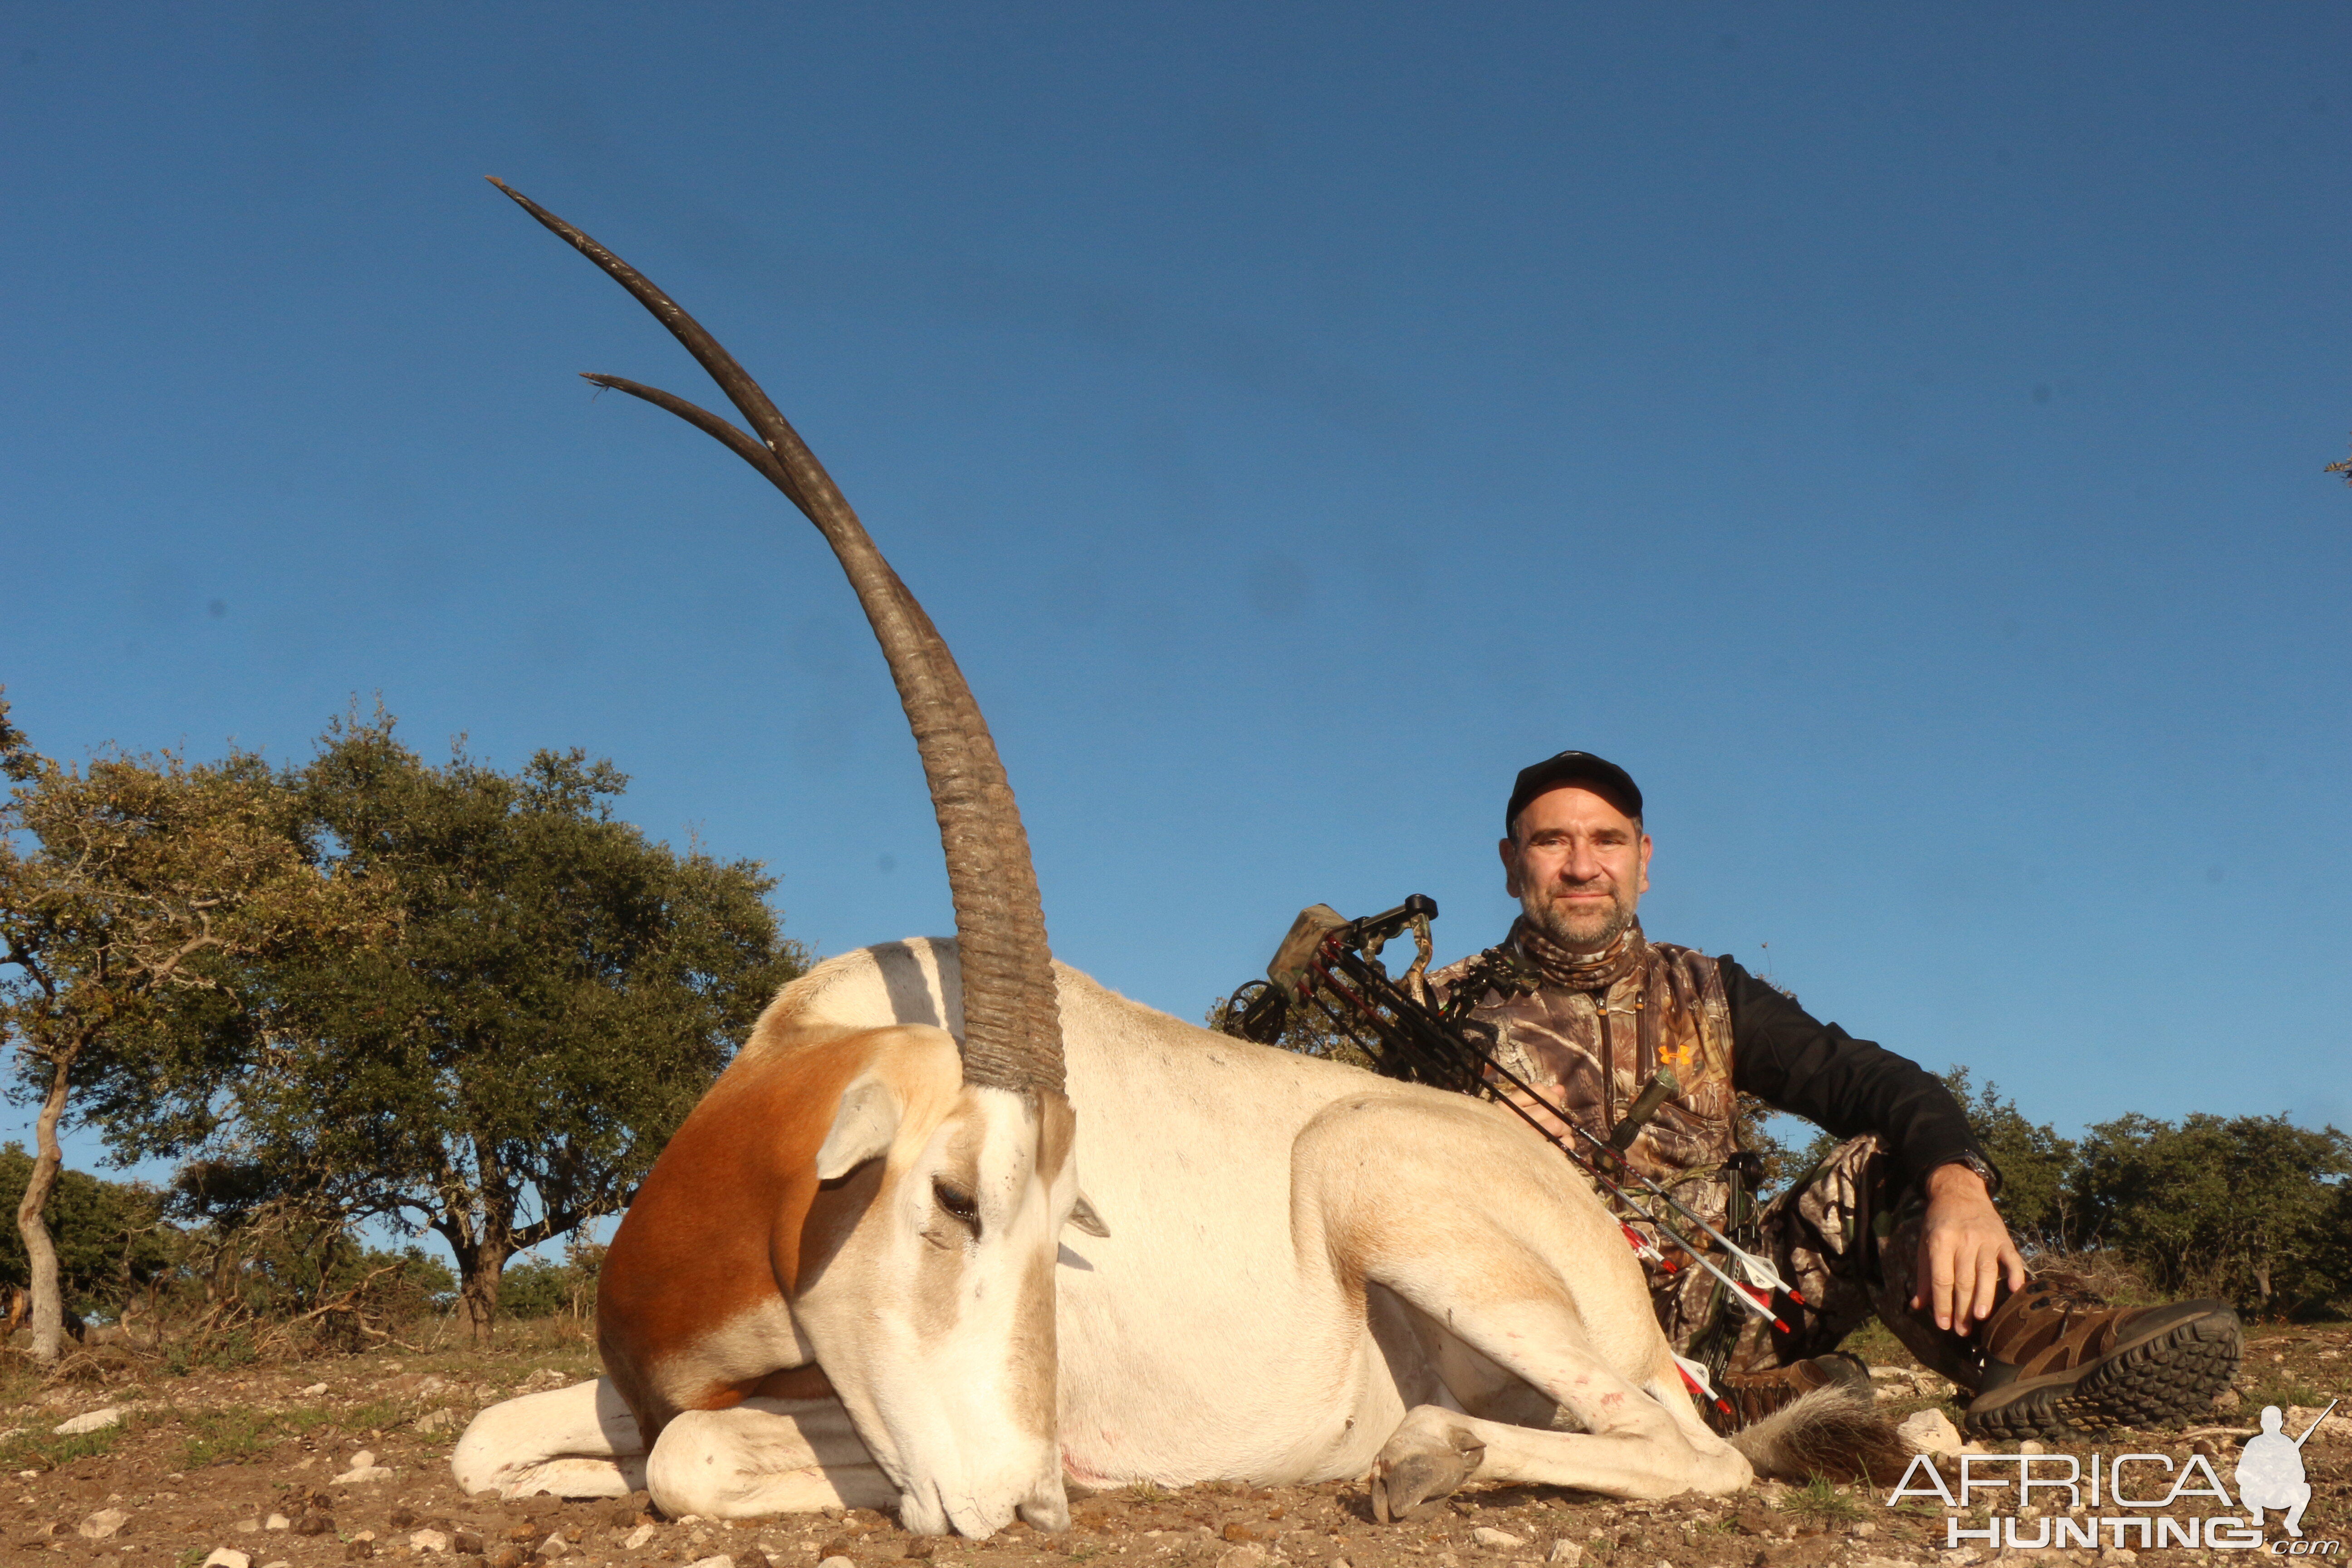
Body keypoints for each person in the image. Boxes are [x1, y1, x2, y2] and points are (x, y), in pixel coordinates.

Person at [1427, 750, 2243, 1439]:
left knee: (1886, 1163)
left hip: (1732, 1312)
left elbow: (1875, 1081)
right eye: (1552, 842)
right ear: (1511, 865)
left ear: (1643, 859)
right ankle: (1738, 1407)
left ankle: (2030, 1348)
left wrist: (1959, 1182)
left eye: (1607, 840)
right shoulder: (1436, 1014)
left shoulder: (1710, 989)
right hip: (1555, 1337)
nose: (1581, 865)